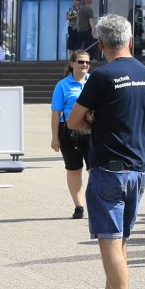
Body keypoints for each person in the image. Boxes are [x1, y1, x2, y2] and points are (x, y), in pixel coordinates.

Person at [63, 13, 145, 289]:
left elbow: (73, 121)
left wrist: (93, 119)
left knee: (110, 241)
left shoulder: (102, 77)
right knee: (120, 241)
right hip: (138, 168)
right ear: (130, 40)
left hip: (110, 169)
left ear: (101, 45)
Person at [50, 50, 92, 218]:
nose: (85, 65)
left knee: (95, 169)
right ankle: (79, 206)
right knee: (74, 169)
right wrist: (54, 138)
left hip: (92, 131)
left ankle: (96, 204)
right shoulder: (62, 85)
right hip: (69, 133)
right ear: (72, 63)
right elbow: (56, 113)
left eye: (87, 62)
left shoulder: (93, 82)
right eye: (81, 61)